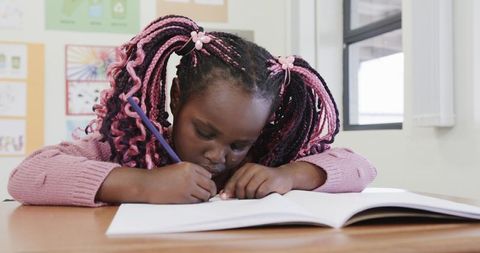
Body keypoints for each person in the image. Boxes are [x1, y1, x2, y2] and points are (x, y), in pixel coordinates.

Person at [8, 15, 376, 207]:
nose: (218, 155)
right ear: (175, 97)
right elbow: (26, 176)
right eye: (204, 132)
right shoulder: (130, 151)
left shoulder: (268, 161)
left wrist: (292, 176)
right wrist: (142, 184)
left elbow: (362, 168)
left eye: (239, 144)